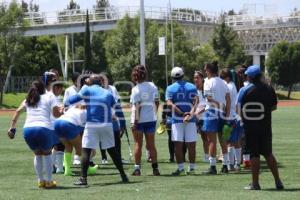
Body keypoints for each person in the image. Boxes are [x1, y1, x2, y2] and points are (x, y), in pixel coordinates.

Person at [65, 74, 128, 186]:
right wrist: (122, 124)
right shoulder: (108, 93)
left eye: (88, 79)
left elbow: (71, 100)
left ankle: (83, 179)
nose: (86, 80)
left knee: (86, 150)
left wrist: (80, 91)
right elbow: (118, 109)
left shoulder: (87, 90)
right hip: (107, 124)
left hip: (92, 124)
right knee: (112, 151)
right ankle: (123, 175)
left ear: (91, 82)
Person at [237, 65, 284, 190]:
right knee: (268, 153)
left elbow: (238, 108)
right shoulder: (269, 89)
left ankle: (255, 183)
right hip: (265, 126)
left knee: (254, 154)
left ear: (251, 77)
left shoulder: (244, 90)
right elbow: (274, 107)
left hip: (250, 127)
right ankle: (278, 181)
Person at [8, 80, 61, 188]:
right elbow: (56, 115)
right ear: (44, 89)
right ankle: (49, 181)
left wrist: (12, 128)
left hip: (27, 130)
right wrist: (63, 111)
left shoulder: (28, 100)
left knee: (37, 154)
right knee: (47, 154)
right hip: (43, 129)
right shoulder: (49, 97)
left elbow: (17, 112)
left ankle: (40, 181)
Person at [166, 67, 199, 175]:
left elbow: (170, 104)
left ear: (172, 77)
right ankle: (192, 169)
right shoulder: (192, 86)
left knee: (178, 146)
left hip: (177, 120)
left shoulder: (170, 88)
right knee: (191, 145)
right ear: (183, 75)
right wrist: (189, 114)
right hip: (191, 120)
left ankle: (180, 169)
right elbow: (196, 102)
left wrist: (181, 113)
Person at [130, 65, 160, 176]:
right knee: (151, 145)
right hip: (151, 119)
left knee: (138, 144)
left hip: (139, 120)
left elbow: (138, 106)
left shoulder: (135, 89)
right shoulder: (153, 86)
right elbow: (157, 102)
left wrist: (135, 122)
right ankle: (155, 168)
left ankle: (137, 169)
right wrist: (154, 113)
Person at [202, 62, 231, 175]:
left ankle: (212, 166)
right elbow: (228, 99)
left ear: (209, 70)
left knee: (211, 141)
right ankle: (225, 165)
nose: (205, 71)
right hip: (222, 113)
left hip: (212, 112)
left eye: (205, 69)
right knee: (222, 139)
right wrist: (227, 114)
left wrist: (217, 104)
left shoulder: (208, 82)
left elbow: (209, 99)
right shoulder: (223, 82)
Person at [98, 73, 127, 164]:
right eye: (102, 80)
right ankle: (104, 158)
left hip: (114, 117)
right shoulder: (98, 90)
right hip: (102, 118)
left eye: (105, 79)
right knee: (102, 138)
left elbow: (117, 103)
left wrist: (121, 120)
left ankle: (118, 157)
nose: (104, 81)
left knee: (116, 138)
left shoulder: (112, 89)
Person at [220, 69, 242, 172]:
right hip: (235, 117)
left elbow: (225, 102)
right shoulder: (234, 86)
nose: (222, 80)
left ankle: (231, 164)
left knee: (228, 141)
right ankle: (237, 163)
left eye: (223, 77)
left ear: (227, 77)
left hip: (229, 117)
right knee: (236, 141)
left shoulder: (228, 87)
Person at [63, 72, 82, 165]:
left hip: (82, 118)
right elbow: (65, 104)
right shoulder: (68, 90)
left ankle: (77, 158)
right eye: (78, 79)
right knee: (70, 142)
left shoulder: (84, 89)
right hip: (72, 118)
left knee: (82, 139)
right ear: (74, 81)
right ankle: (65, 163)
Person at [194, 70, 208, 163]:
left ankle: (207, 156)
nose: (195, 79)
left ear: (202, 78)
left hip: (204, 117)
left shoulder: (206, 89)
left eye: (197, 77)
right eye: (194, 77)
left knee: (205, 138)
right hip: (195, 118)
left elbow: (208, 104)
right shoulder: (193, 90)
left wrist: (200, 111)